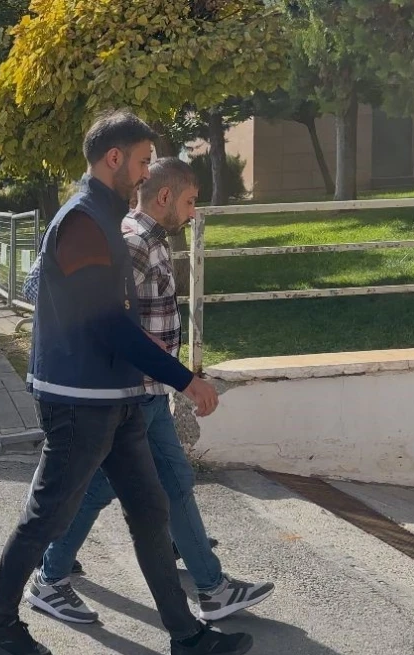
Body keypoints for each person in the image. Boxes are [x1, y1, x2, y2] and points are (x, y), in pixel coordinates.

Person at [0, 110, 252, 655]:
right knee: (48, 514)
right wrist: (185, 379)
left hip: (115, 396)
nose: (148, 173)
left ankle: (187, 638)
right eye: (143, 161)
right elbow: (108, 324)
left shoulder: (105, 215)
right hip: (77, 399)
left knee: (149, 510)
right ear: (114, 158)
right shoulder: (81, 221)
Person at [32, 157, 274, 626]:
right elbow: (101, 317)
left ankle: (211, 587)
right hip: (132, 390)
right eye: (190, 201)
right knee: (112, 485)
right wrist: (181, 375)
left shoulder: (153, 239)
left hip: (150, 389)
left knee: (164, 481)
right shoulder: (133, 242)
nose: (194, 212)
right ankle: (50, 575)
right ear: (165, 196)